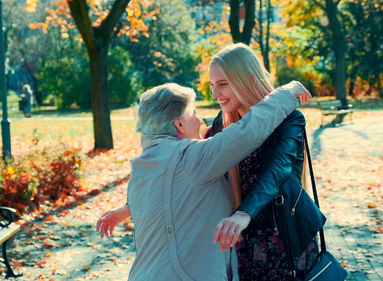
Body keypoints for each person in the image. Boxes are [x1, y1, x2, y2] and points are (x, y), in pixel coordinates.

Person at [97, 81, 312, 281]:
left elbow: (166, 195)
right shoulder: (190, 157)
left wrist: (128, 209)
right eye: (194, 113)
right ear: (179, 123)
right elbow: (247, 131)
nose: (200, 120)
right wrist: (288, 92)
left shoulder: (143, 164)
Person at [209, 43, 325, 281]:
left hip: (285, 238)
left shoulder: (290, 119)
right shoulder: (222, 123)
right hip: (243, 240)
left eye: (222, 84)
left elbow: (279, 169)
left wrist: (244, 213)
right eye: (212, 86)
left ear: (248, 80)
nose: (215, 94)